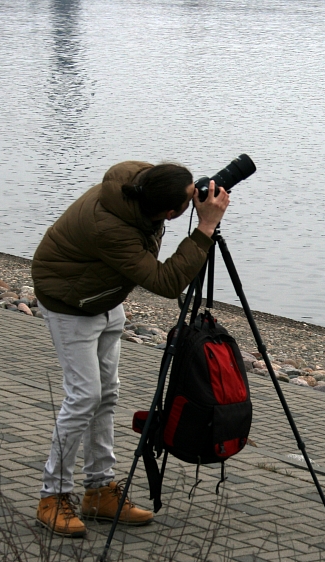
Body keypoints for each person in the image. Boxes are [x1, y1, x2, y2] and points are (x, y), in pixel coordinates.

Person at [30, 160, 230, 537]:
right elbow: (166, 281)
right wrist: (205, 227)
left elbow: (159, 215)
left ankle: (99, 490)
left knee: (107, 395)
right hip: (70, 304)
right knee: (84, 397)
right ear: (170, 212)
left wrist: (192, 202)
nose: (196, 198)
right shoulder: (110, 228)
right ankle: (52, 496)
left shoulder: (139, 181)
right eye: (190, 198)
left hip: (105, 298)